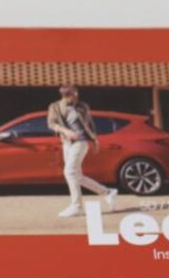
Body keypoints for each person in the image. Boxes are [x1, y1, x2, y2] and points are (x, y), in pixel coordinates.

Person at [47, 85, 118, 217]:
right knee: (77, 176)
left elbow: (90, 124)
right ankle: (107, 192)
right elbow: (51, 123)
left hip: (81, 142)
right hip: (67, 143)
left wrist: (95, 140)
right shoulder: (55, 107)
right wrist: (66, 131)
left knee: (69, 172)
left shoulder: (82, 106)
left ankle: (77, 206)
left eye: (76, 93)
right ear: (66, 95)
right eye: (74, 94)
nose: (76, 96)